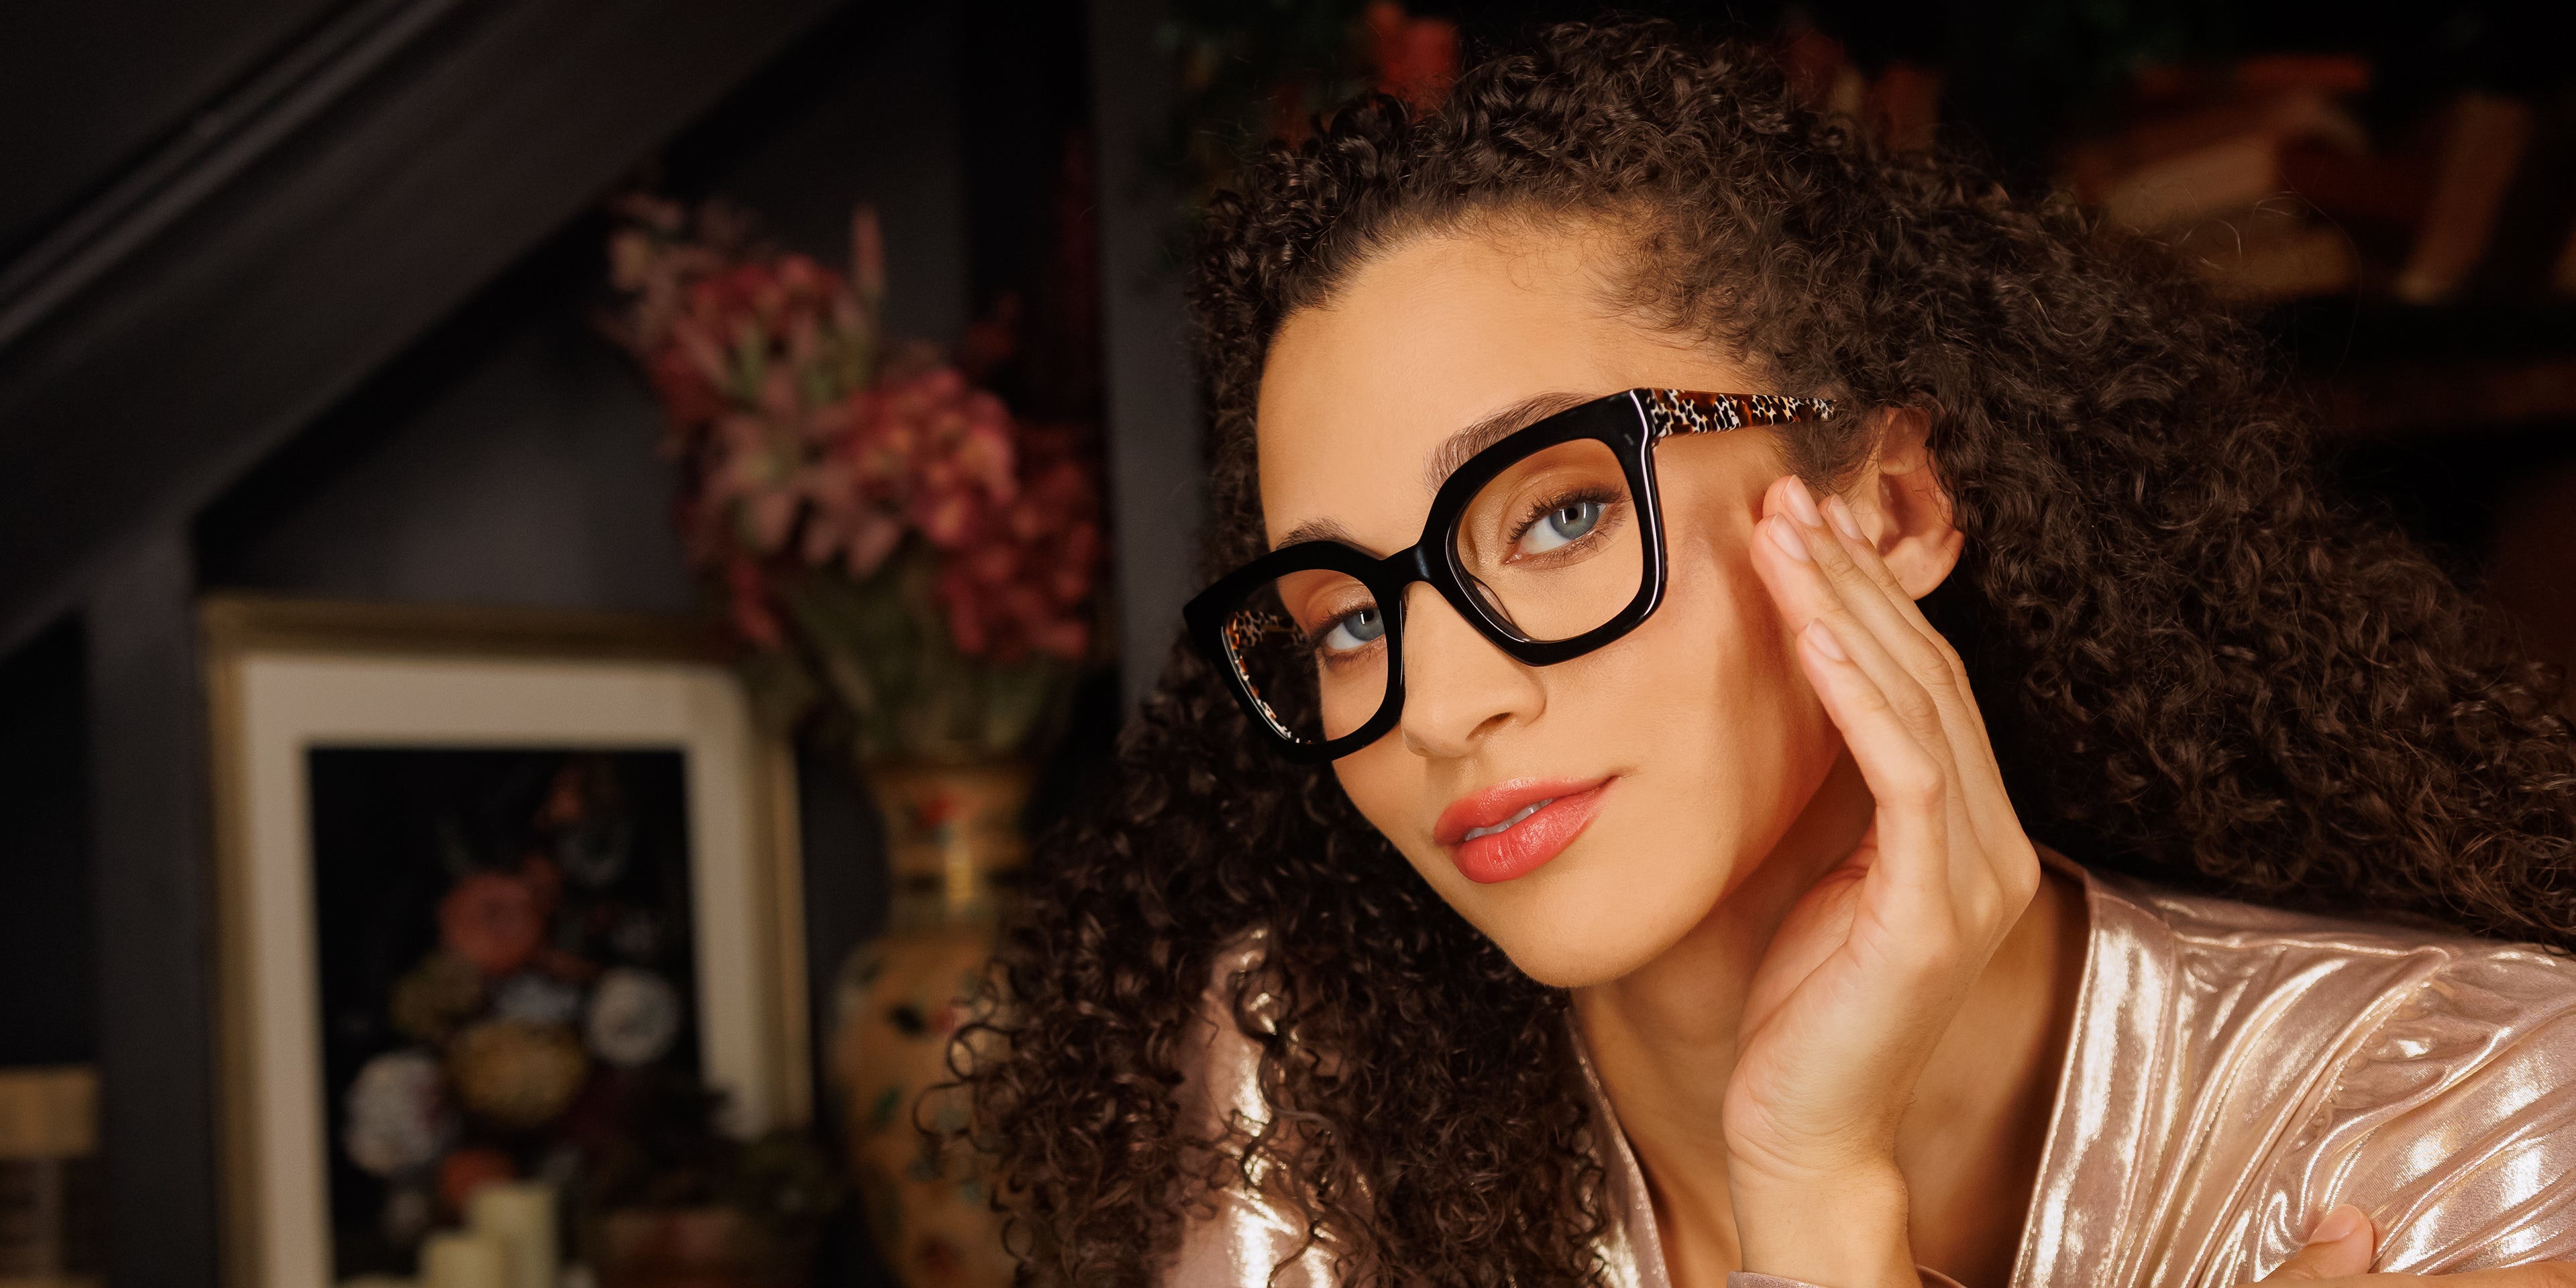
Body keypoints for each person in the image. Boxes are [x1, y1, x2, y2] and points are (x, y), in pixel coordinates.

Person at [957, 21, 2576, 1288]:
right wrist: (1813, 1203)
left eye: (1559, 516)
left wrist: (1810, 1180)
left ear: (1889, 506)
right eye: (1352, 621)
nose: (1438, 706)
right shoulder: (1309, 1091)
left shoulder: (2463, 1103)